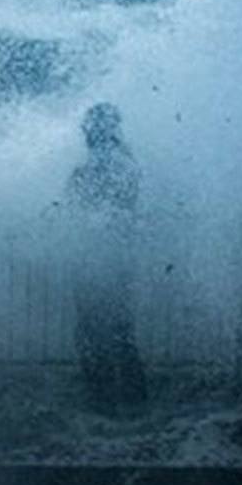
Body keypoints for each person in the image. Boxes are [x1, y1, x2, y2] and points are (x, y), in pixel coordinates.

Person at [66, 102, 148, 412]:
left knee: (93, 328)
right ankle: (132, 397)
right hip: (116, 257)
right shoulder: (127, 163)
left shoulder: (95, 166)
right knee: (118, 328)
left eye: (89, 125)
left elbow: (79, 207)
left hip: (96, 258)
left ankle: (102, 397)